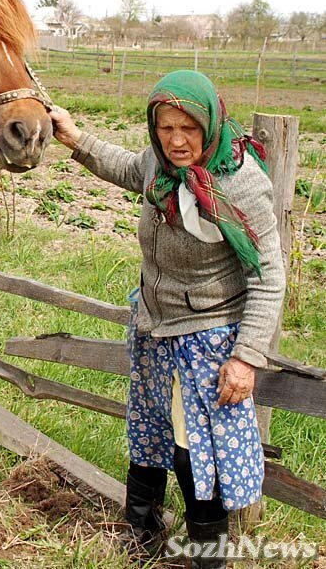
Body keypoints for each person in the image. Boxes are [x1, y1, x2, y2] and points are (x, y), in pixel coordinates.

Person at [48, 71, 284, 569]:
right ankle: (143, 532)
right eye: (165, 128)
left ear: (210, 123)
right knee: (150, 430)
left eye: (189, 128)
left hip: (208, 337)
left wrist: (245, 358)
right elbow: (129, 168)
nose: (177, 141)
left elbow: (267, 277)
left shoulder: (240, 183)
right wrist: (74, 139)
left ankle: (207, 560)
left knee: (196, 453)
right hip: (156, 326)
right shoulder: (160, 165)